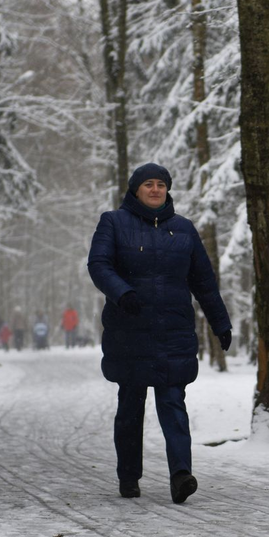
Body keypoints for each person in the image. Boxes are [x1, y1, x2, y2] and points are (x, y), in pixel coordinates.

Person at [87, 162, 232, 504]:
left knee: (173, 402)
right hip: (129, 331)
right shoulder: (113, 222)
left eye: (161, 185)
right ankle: (128, 476)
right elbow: (99, 265)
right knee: (130, 407)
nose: (155, 190)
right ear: (135, 189)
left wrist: (220, 322)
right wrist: (122, 293)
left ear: (167, 190)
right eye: (148, 184)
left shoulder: (184, 229)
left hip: (173, 331)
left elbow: (204, 282)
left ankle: (181, 475)